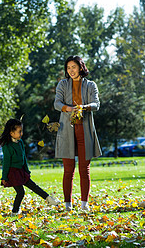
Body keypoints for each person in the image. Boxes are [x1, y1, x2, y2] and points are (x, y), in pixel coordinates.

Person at [54, 55, 101, 212]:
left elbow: (96, 104)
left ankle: (84, 204)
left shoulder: (90, 85)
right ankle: (68, 204)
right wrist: (68, 108)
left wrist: (84, 107)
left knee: (84, 169)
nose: (71, 70)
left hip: (84, 130)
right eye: (68, 68)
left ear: (81, 67)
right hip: (66, 130)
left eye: (73, 67)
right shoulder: (62, 84)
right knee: (68, 170)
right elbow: (57, 103)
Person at [0, 118, 60, 215]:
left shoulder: (20, 143)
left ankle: (49, 199)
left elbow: (23, 158)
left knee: (34, 186)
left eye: (22, 131)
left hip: (21, 171)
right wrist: (4, 177)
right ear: (11, 133)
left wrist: (27, 171)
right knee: (20, 192)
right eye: (19, 131)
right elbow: (6, 162)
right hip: (13, 173)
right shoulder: (7, 146)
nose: (21, 133)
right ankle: (14, 212)